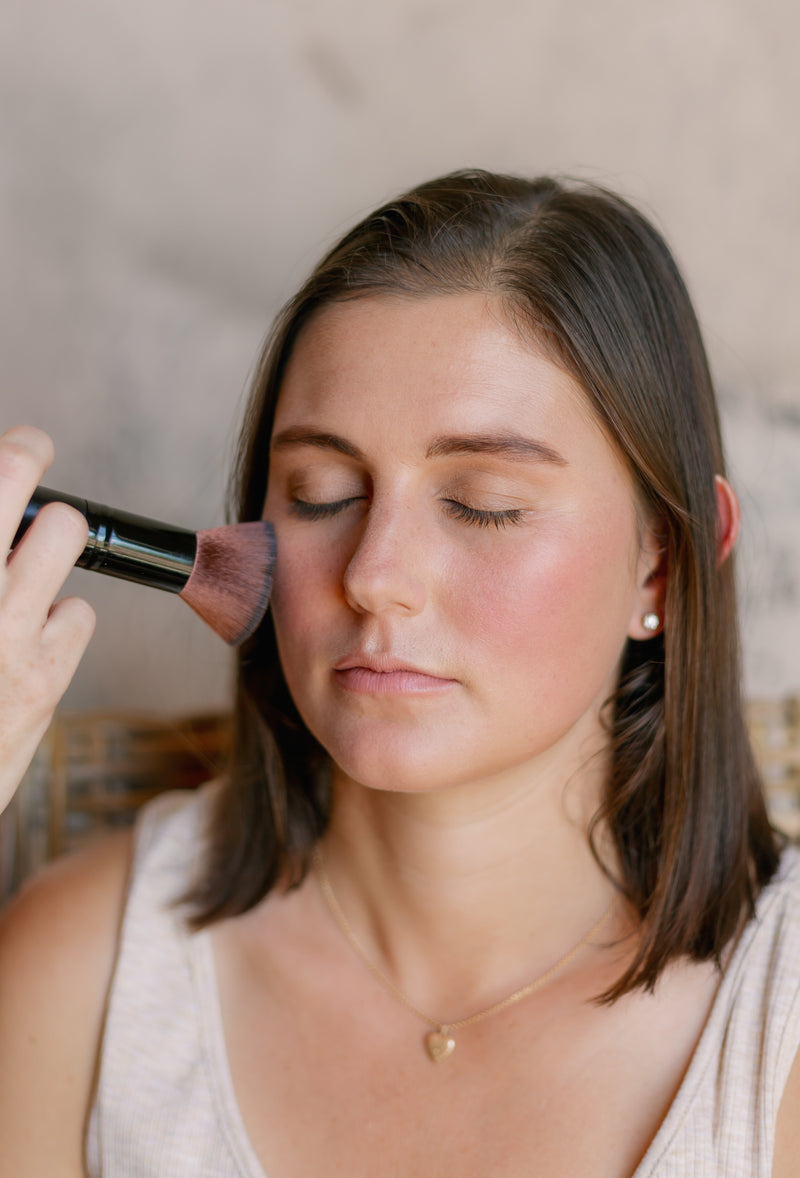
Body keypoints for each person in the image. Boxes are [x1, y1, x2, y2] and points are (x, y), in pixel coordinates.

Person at [0, 169, 799, 1177]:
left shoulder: (775, 1027)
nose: (373, 575)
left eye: (481, 503)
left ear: (664, 564)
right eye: (322, 492)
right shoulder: (83, 972)